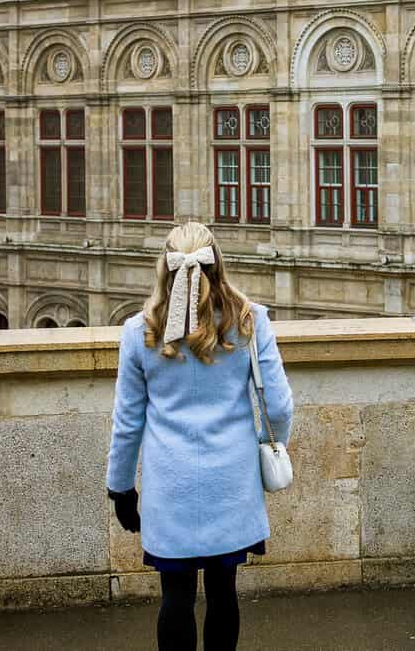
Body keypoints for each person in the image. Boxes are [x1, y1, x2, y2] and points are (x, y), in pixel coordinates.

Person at [106, 221, 294, 651]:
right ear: (217, 264)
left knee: (176, 596)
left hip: (170, 484)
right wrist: (270, 442)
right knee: (224, 592)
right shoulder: (249, 320)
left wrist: (120, 487)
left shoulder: (139, 332)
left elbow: (128, 421)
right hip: (230, 481)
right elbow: (279, 405)